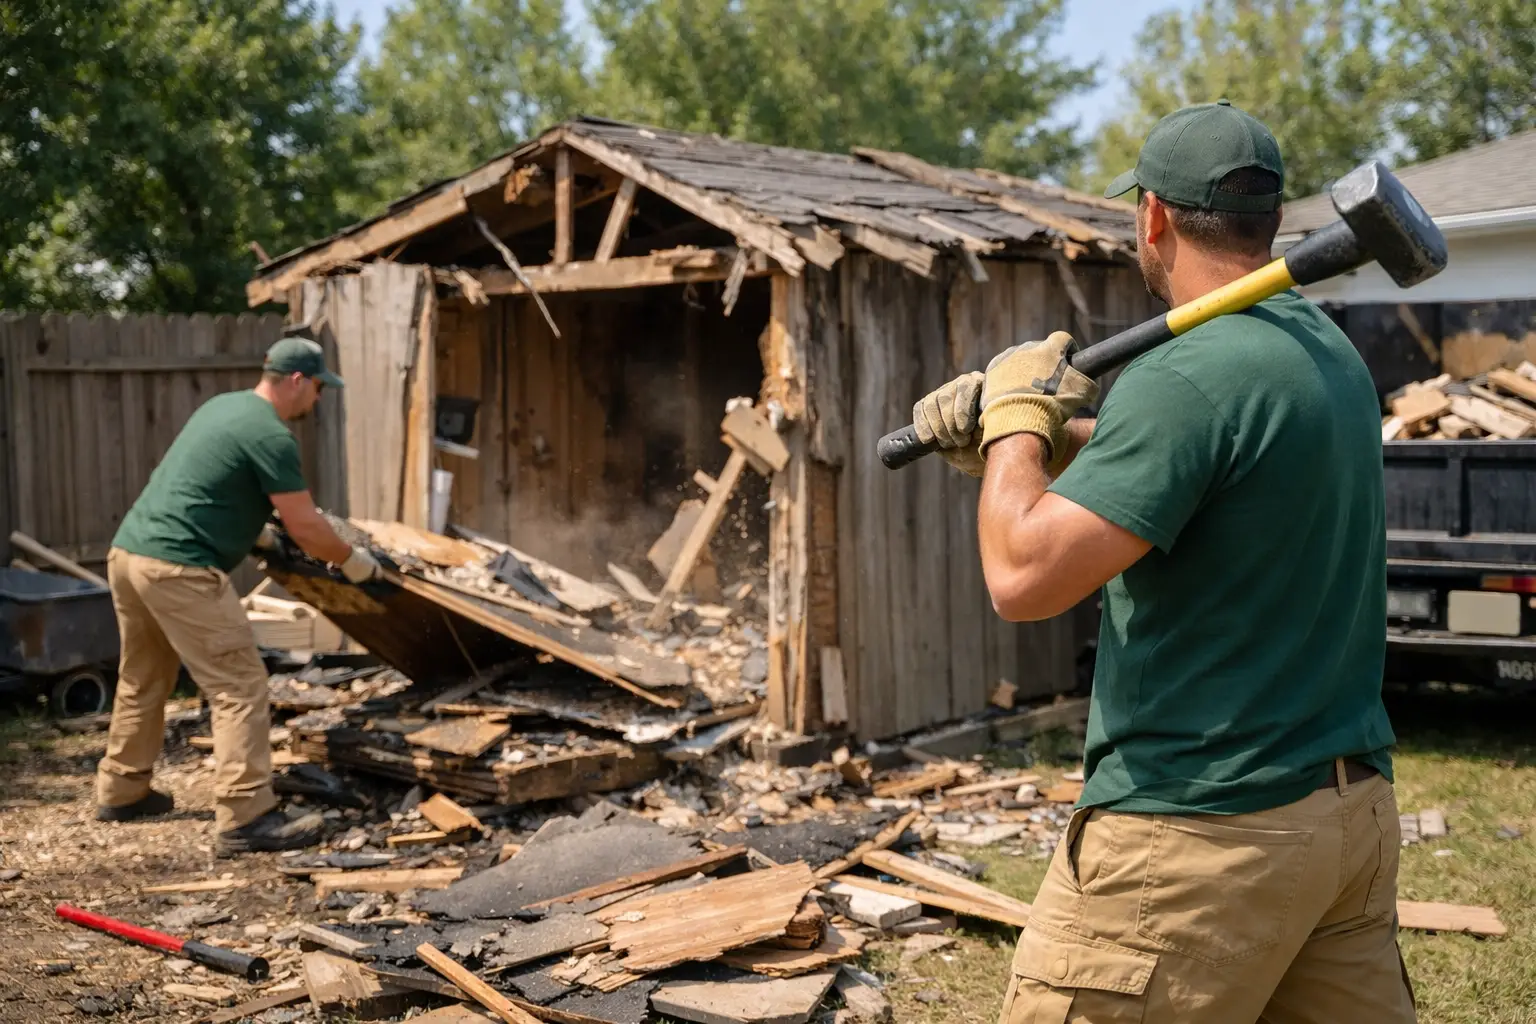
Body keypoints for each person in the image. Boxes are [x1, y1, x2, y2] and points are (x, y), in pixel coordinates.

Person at [913, 100, 1414, 1023]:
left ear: (1152, 217)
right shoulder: (1322, 353)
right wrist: (1034, 440)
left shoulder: (1185, 374)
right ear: (1271, 218)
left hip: (1197, 838)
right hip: (1343, 816)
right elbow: (1202, 467)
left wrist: (1015, 428)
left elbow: (1022, 578)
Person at [96, 330, 385, 856]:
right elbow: (307, 527)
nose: (319, 399)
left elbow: (206, 488)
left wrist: (256, 533)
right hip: (180, 568)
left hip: (130, 554)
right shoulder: (272, 436)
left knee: (143, 677)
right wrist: (353, 561)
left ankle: (122, 790)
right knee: (240, 685)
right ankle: (246, 815)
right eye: (319, 387)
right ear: (297, 380)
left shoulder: (223, 407)